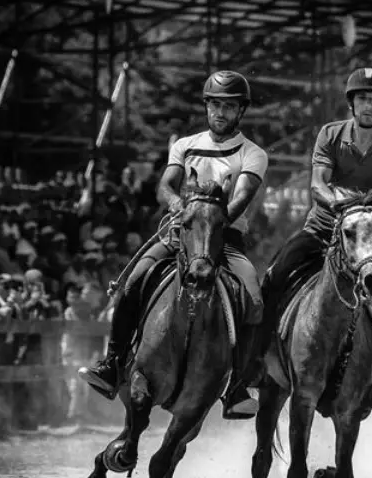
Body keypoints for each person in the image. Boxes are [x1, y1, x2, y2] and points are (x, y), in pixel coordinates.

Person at [78, 70, 268, 419]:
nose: (220, 113)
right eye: (214, 105)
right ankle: (113, 363)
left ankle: (239, 385)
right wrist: (180, 206)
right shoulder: (184, 144)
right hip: (181, 233)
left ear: (241, 111)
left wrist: (214, 216)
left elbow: (242, 196)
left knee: (254, 298)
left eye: (228, 107)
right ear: (207, 107)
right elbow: (165, 186)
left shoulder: (253, 153)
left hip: (225, 239)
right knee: (133, 280)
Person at [249, 67, 372, 414]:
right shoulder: (329, 134)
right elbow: (317, 184)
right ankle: (252, 364)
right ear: (351, 103)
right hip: (322, 227)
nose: (368, 105)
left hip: (370, 238)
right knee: (274, 277)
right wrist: (339, 208)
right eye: (362, 99)